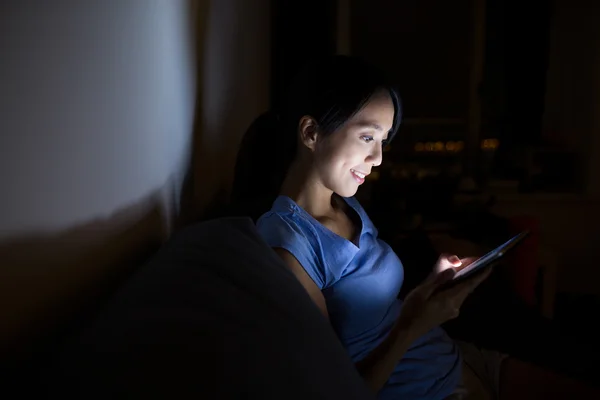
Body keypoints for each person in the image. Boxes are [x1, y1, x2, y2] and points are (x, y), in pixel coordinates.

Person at [236, 56, 597, 399]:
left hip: (458, 359)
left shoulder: (345, 203)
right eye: (367, 137)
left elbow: (378, 311)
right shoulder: (288, 246)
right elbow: (337, 392)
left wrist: (428, 291)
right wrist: (415, 324)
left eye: (383, 141)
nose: (377, 158)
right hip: (427, 389)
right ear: (312, 132)